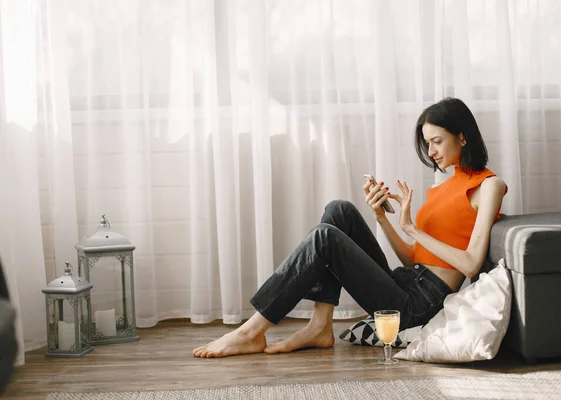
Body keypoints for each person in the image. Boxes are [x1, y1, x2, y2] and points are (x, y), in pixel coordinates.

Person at [192, 97, 507, 358]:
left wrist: (411, 228)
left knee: (324, 237)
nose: (432, 151)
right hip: (406, 281)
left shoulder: (488, 186)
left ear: (462, 136)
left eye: (437, 141)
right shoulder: (442, 187)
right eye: (427, 143)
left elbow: (471, 263)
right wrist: (382, 217)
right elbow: (413, 260)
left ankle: (251, 332)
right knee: (339, 210)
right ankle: (320, 325)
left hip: (420, 305)